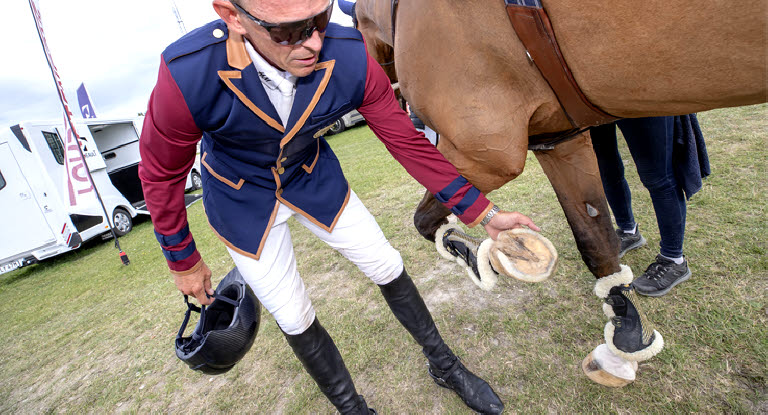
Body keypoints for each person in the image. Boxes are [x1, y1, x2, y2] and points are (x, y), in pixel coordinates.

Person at [139, 0, 540, 413]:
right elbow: (160, 174)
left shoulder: (348, 53)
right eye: (289, 31)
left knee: (387, 264)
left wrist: (484, 213)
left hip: (312, 178)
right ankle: (353, 409)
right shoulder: (187, 72)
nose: (313, 41)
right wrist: (182, 259)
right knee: (293, 315)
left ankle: (445, 365)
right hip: (240, 199)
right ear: (232, 16)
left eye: (320, 19)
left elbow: (406, 142)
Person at [590, 115, 709, 297]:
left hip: (639, 93)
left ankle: (674, 260)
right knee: (607, 168)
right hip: (593, 99)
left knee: (658, 176)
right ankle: (629, 232)